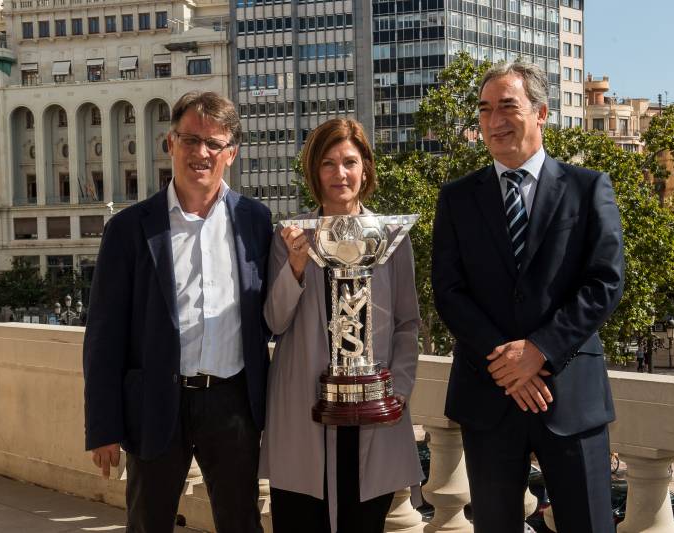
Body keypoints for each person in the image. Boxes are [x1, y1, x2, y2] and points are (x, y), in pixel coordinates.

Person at [432, 61, 625, 533]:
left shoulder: (587, 187)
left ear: (540, 113)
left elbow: (605, 281)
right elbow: (448, 291)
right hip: (488, 392)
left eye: (507, 106)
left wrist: (539, 350)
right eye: (484, 109)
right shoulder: (456, 198)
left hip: (570, 396)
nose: (495, 120)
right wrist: (507, 362)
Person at [83, 91, 272, 533]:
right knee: (148, 522)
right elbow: (104, 336)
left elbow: (272, 309)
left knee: (242, 522)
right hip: (154, 401)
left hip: (232, 403)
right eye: (190, 140)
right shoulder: (129, 229)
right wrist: (103, 427)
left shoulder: (256, 221)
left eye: (214, 143)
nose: (200, 152)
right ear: (170, 144)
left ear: (232, 153)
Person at [260, 118, 424, 533]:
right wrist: (295, 268)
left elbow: (407, 323)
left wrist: (399, 389)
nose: (340, 173)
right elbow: (274, 321)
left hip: (374, 409)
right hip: (304, 409)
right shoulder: (289, 236)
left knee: (363, 524)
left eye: (349, 162)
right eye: (328, 163)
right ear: (315, 171)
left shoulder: (391, 239)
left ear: (365, 168)